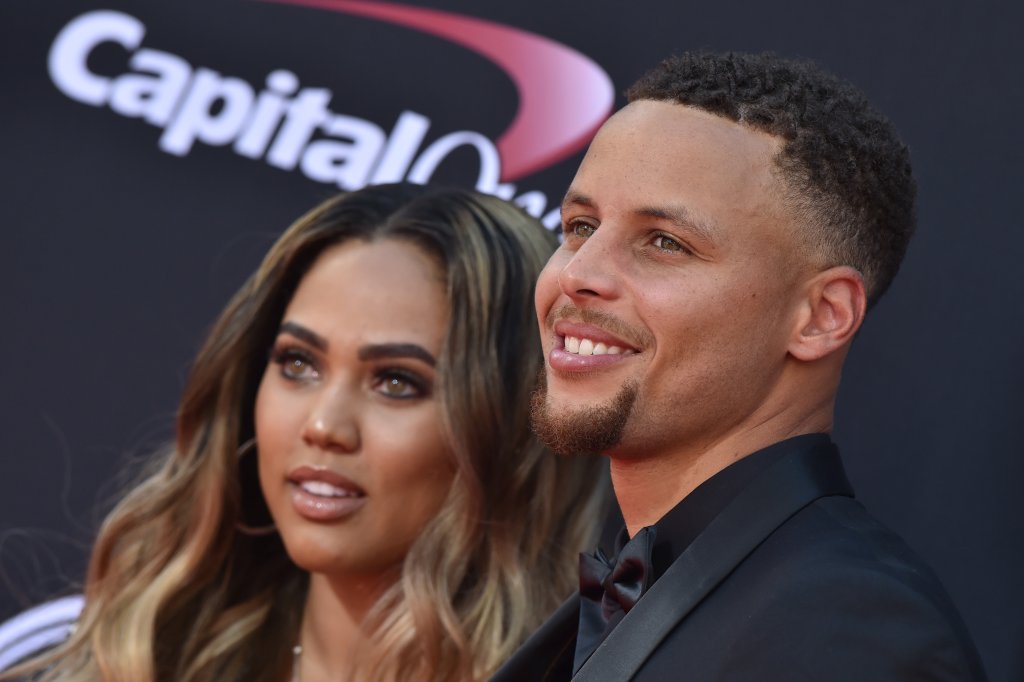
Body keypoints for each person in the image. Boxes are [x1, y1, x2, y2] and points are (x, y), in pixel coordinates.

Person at [493, 51, 986, 681]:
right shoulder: (676, 581)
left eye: (665, 242)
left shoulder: (849, 634)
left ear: (821, 316)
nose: (578, 274)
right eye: (580, 226)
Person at [0, 183, 607, 682]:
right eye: (298, 364)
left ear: (512, 429)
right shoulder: (122, 661)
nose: (323, 426)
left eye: (397, 382)